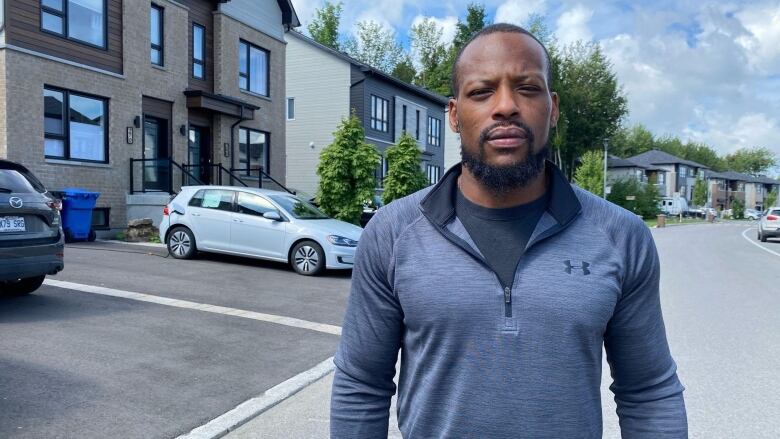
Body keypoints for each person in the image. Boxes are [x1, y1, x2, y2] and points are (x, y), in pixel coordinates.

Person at [331, 23, 687, 438]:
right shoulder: (391, 233)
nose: (505, 106)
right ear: (453, 115)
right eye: (482, 92)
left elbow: (649, 391)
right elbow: (361, 385)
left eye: (527, 88)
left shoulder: (621, 237)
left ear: (552, 108)